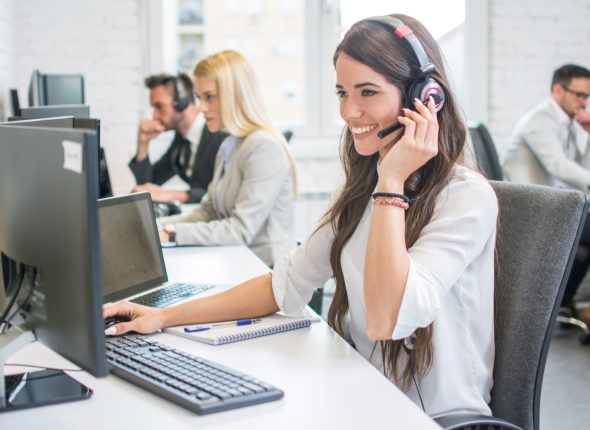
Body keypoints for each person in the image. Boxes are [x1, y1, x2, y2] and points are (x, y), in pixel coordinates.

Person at [105, 15, 497, 417]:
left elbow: (386, 320)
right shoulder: (363, 190)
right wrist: (164, 317)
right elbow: (286, 284)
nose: (349, 111)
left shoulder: (465, 198)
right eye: (342, 92)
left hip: (430, 417)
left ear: (426, 98)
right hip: (363, 394)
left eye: (368, 92)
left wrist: (393, 182)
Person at [157, 51, 297, 267]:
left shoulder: (263, 147)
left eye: (209, 97)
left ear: (235, 95)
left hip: (268, 274)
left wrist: (171, 233)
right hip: (239, 265)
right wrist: (156, 226)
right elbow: (209, 210)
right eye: (199, 98)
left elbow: (239, 230)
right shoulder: (230, 144)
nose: (201, 108)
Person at [503, 64, 590, 324]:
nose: (584, 102)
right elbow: (559, 166)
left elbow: (580, 171)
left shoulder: (569, 122)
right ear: (557, 90)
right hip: (532, 211)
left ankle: (562, 301)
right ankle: (561, 300)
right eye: (580, 95)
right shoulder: (540, 120)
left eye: (588, 96)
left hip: (553, 206)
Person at [129, 73, 227, 203]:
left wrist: (175, 195)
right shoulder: (181, 141)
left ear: (182, 102)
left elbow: (226, 194)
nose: (154, 115)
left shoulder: (220, 135)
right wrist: (143, 143)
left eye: (159, 106)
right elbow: (147, 186)